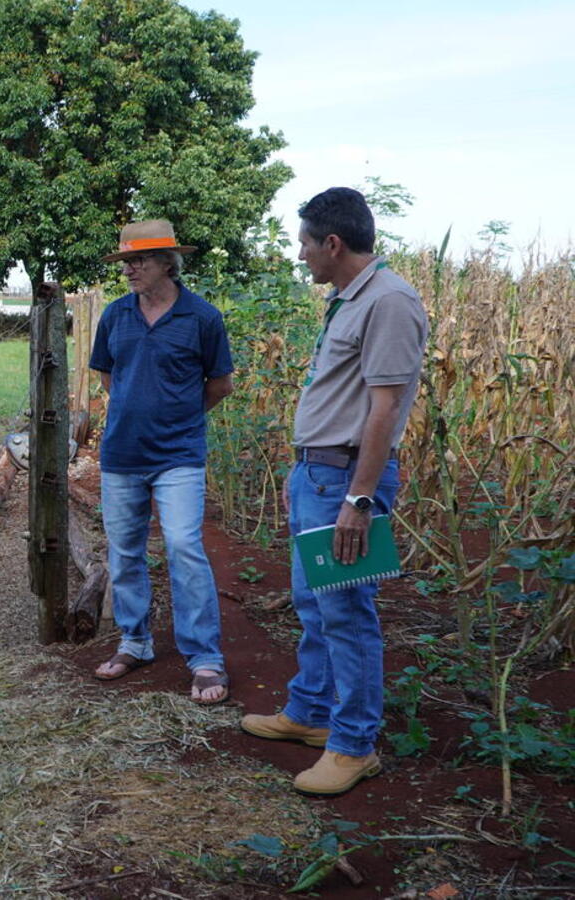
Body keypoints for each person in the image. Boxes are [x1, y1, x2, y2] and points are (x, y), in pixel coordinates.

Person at [240, 187, 429, 796]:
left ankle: (353, 746)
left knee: (347, 613)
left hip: (346, 482)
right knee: (314, 603)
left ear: (333, 243)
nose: (301, 257)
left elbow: (385, 409)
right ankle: (312, 713)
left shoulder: (390, 302)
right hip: (316, 475)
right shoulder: (351, 299)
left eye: (303, 243)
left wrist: (359, 499)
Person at [88, 220, 235, 705]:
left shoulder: (203, 318)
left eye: (139, 261)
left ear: (167, 263)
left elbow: (219, 385)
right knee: (125, 551)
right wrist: (138, 411)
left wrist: (176, 419)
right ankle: (135, 642)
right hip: (122, 455)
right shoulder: (115, 316)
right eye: (126, 261)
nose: (129, 269)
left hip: (179, 456)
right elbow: (110, 378)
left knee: (183, 545)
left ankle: (204, 656)